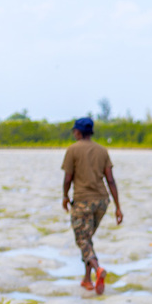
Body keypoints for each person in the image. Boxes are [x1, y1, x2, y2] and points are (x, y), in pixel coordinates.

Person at [61, 117, 122, 294]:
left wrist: (65, 196)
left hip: (82, 201)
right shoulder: (102, 151)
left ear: (78, 132)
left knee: (82, 239)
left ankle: (97, 269)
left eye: (74, 130)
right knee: (87, 239)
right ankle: (87, 280)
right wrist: (118, 207)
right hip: (102, 202)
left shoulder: (72, 150)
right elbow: (110, 180)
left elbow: (67, 178)